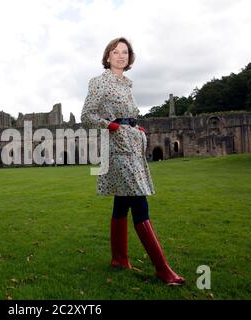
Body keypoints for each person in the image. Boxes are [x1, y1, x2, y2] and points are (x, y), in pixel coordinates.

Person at [81, 37, 184, 286]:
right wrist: (112, 125)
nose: (121, 56)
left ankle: (119, 258)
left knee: (123, 201)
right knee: (139, 202)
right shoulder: (99, 82)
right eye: (116, 52)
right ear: (107, 56)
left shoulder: (127, 84)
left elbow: (128, 115)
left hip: (132, 144)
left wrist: (137, 129)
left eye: (125, 52)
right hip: (117, 147)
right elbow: (87, 115)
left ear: (129, 58)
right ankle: (162, 269)